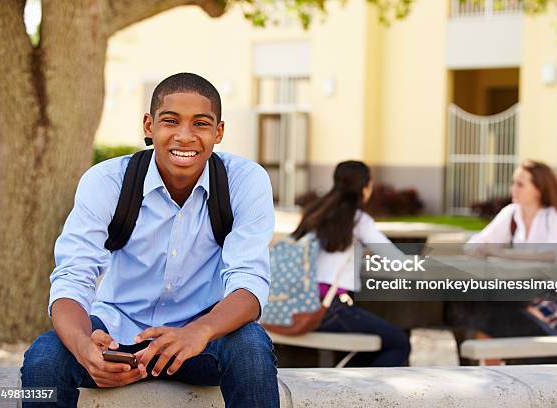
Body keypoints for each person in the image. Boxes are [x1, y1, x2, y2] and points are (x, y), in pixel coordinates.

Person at [21, 73, 279, 407]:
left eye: (201, 124)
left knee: (251, 346)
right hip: (116, 339)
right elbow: (73, 277)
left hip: (201, 343)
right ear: (148, 125)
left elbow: (250, 282)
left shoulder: (245, 181)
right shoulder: (107, 182)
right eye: (170, 121)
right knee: (44, 358)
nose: (184, 136)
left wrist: (198, 332)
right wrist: (85, 346)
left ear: (219, 132)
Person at [449, 160, 557, 363]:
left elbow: (551, 255)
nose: (513, 188)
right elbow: (475, 244)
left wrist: (500, 253)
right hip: (523, 294)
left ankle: (497, 379)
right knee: (477, 312)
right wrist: (481, 249)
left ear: (539, 189)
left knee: (487, 317)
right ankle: (494, 381)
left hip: (552, 303)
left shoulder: (554, 218)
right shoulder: (511, 214)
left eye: (520, 184)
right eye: (513, 182)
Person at [291, 161, 411, 367]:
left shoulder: (315, 213)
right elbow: (396, 260)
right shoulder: (357, 219)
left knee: (380, 341)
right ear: (364, 187)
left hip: (296, 303)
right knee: (399, 343)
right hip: (328, 308)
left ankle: (343, 385)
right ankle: (354, 392)